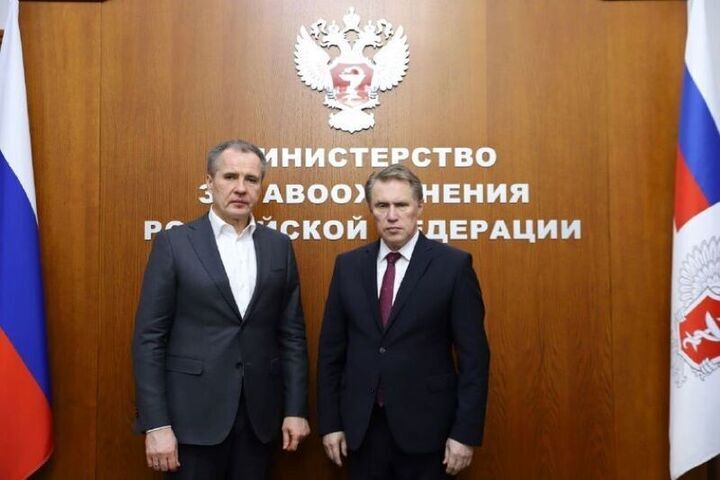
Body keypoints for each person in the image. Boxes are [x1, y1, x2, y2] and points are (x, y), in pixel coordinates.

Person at [132, 139, 310, 479]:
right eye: (230, 177)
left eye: (251, 179)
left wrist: (296, 409)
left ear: (260, 186)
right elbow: (149, 338)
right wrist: (156, 424)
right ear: (210, 182)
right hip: (190, 423)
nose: (241, 188)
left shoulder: (279, 246)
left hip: (259, 422)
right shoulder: (175, 244)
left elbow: (292, 336)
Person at [317, 164, 490, 479]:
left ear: (419, 207)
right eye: (382, 205)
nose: (392, 215)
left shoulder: (453, 266)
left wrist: (465, 432)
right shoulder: (348, 266)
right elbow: (331, 353)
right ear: (371, 209)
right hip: (362, 431)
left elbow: (474, 358)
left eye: (401, 205)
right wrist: (330, 424)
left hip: (428, 432)